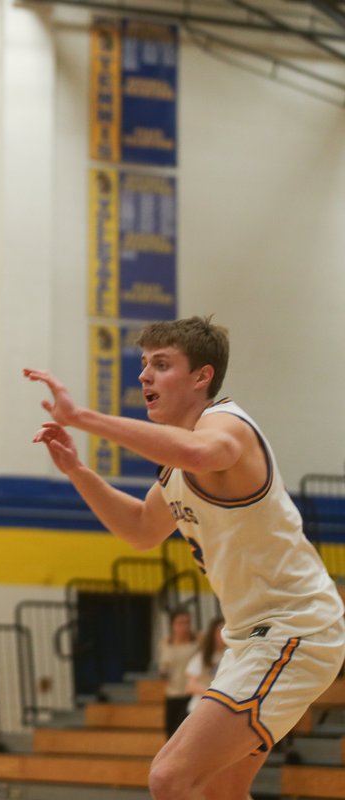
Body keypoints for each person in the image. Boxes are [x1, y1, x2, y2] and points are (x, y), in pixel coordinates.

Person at [25, 316, 345, 800]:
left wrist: (84, 418)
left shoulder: (227, 424)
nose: (144, 375)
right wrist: (78, 471)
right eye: (143, 364)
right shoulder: (177, 463)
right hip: (252, 638)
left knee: (170, 777)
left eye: (161, 364)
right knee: (219, 791)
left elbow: (203, 452)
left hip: (295, 628)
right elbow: (141, 529)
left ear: (202, 376)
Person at [157, 609, 199, 737]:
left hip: (191, 695)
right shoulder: (165, 643)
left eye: (187, 622)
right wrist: (163, 673)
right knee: (170, 735)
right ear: (172, 625)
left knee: (185, 735)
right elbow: (163, 666)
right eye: (180, 623)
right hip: (172, 694)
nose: (184, 627)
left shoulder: (198, 643)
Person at [186, 616, 227, 714]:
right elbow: (190, 686)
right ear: (212, 634)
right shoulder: (202, 657)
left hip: (224, 707)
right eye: (219, 631)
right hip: (200, 707)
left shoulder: (232, 654)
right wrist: (214, 694)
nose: (222, 634)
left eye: (225, 630)